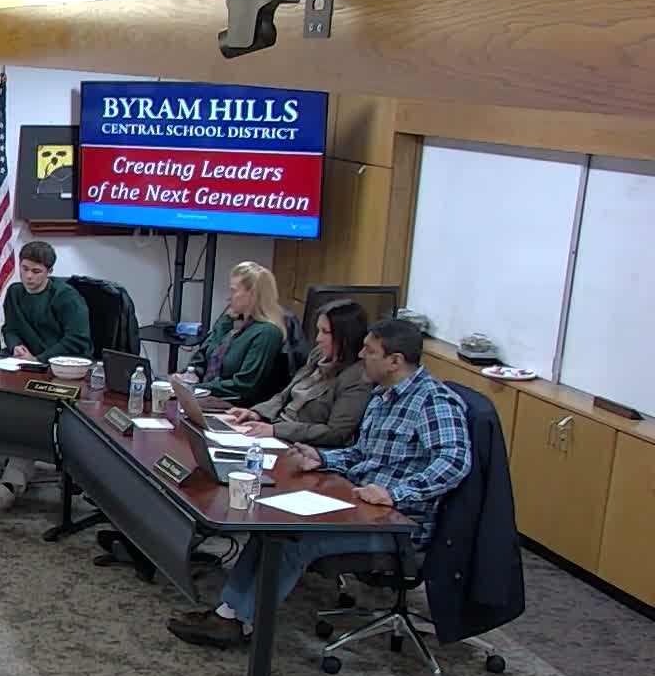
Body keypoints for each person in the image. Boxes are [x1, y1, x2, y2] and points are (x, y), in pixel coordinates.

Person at [167, 319, 471, 649]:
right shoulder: (383, 397)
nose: (360, 356)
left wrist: (394, 494)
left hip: (397, 525)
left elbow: (454, 462)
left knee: (295, 539)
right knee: (271, 525)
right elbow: (361, 454)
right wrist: (322, 459)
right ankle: (229, 612)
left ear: (395, 361)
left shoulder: (433, 402)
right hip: (359, 505)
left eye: (369, 351)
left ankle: (239, 622)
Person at [0, 240, 92, 509]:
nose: (29, 277)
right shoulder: (15, 293)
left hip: (63, 369)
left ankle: (13, 478)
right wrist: (16, 347)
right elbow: (10, 328)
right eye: (25, 269)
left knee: (30, 415)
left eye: (36, 271)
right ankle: (13, 458)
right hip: (25, 365)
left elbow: (77, 340)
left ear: (49, 272)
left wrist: (40, 359)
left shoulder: (66, 298)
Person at [225, 299, 372, 447]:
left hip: (300, 443)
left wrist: (276, 430)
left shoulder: (357, 378)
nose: (318, 339)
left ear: (346, 336)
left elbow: (336, 433)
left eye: (325, 332)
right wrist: (257, 413)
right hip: (274, 429)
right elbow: (285, 395)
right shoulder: (318, 355)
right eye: (318, 330)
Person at [184, 261, 289, 404]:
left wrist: (197, 388)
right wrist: (189, 376)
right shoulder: (228, 322)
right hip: (204, 395)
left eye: (233, 291)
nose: (229, 297)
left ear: (252, 294)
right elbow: (202, 356)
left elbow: (244, 386)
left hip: (235, 406)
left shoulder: (267, 333)